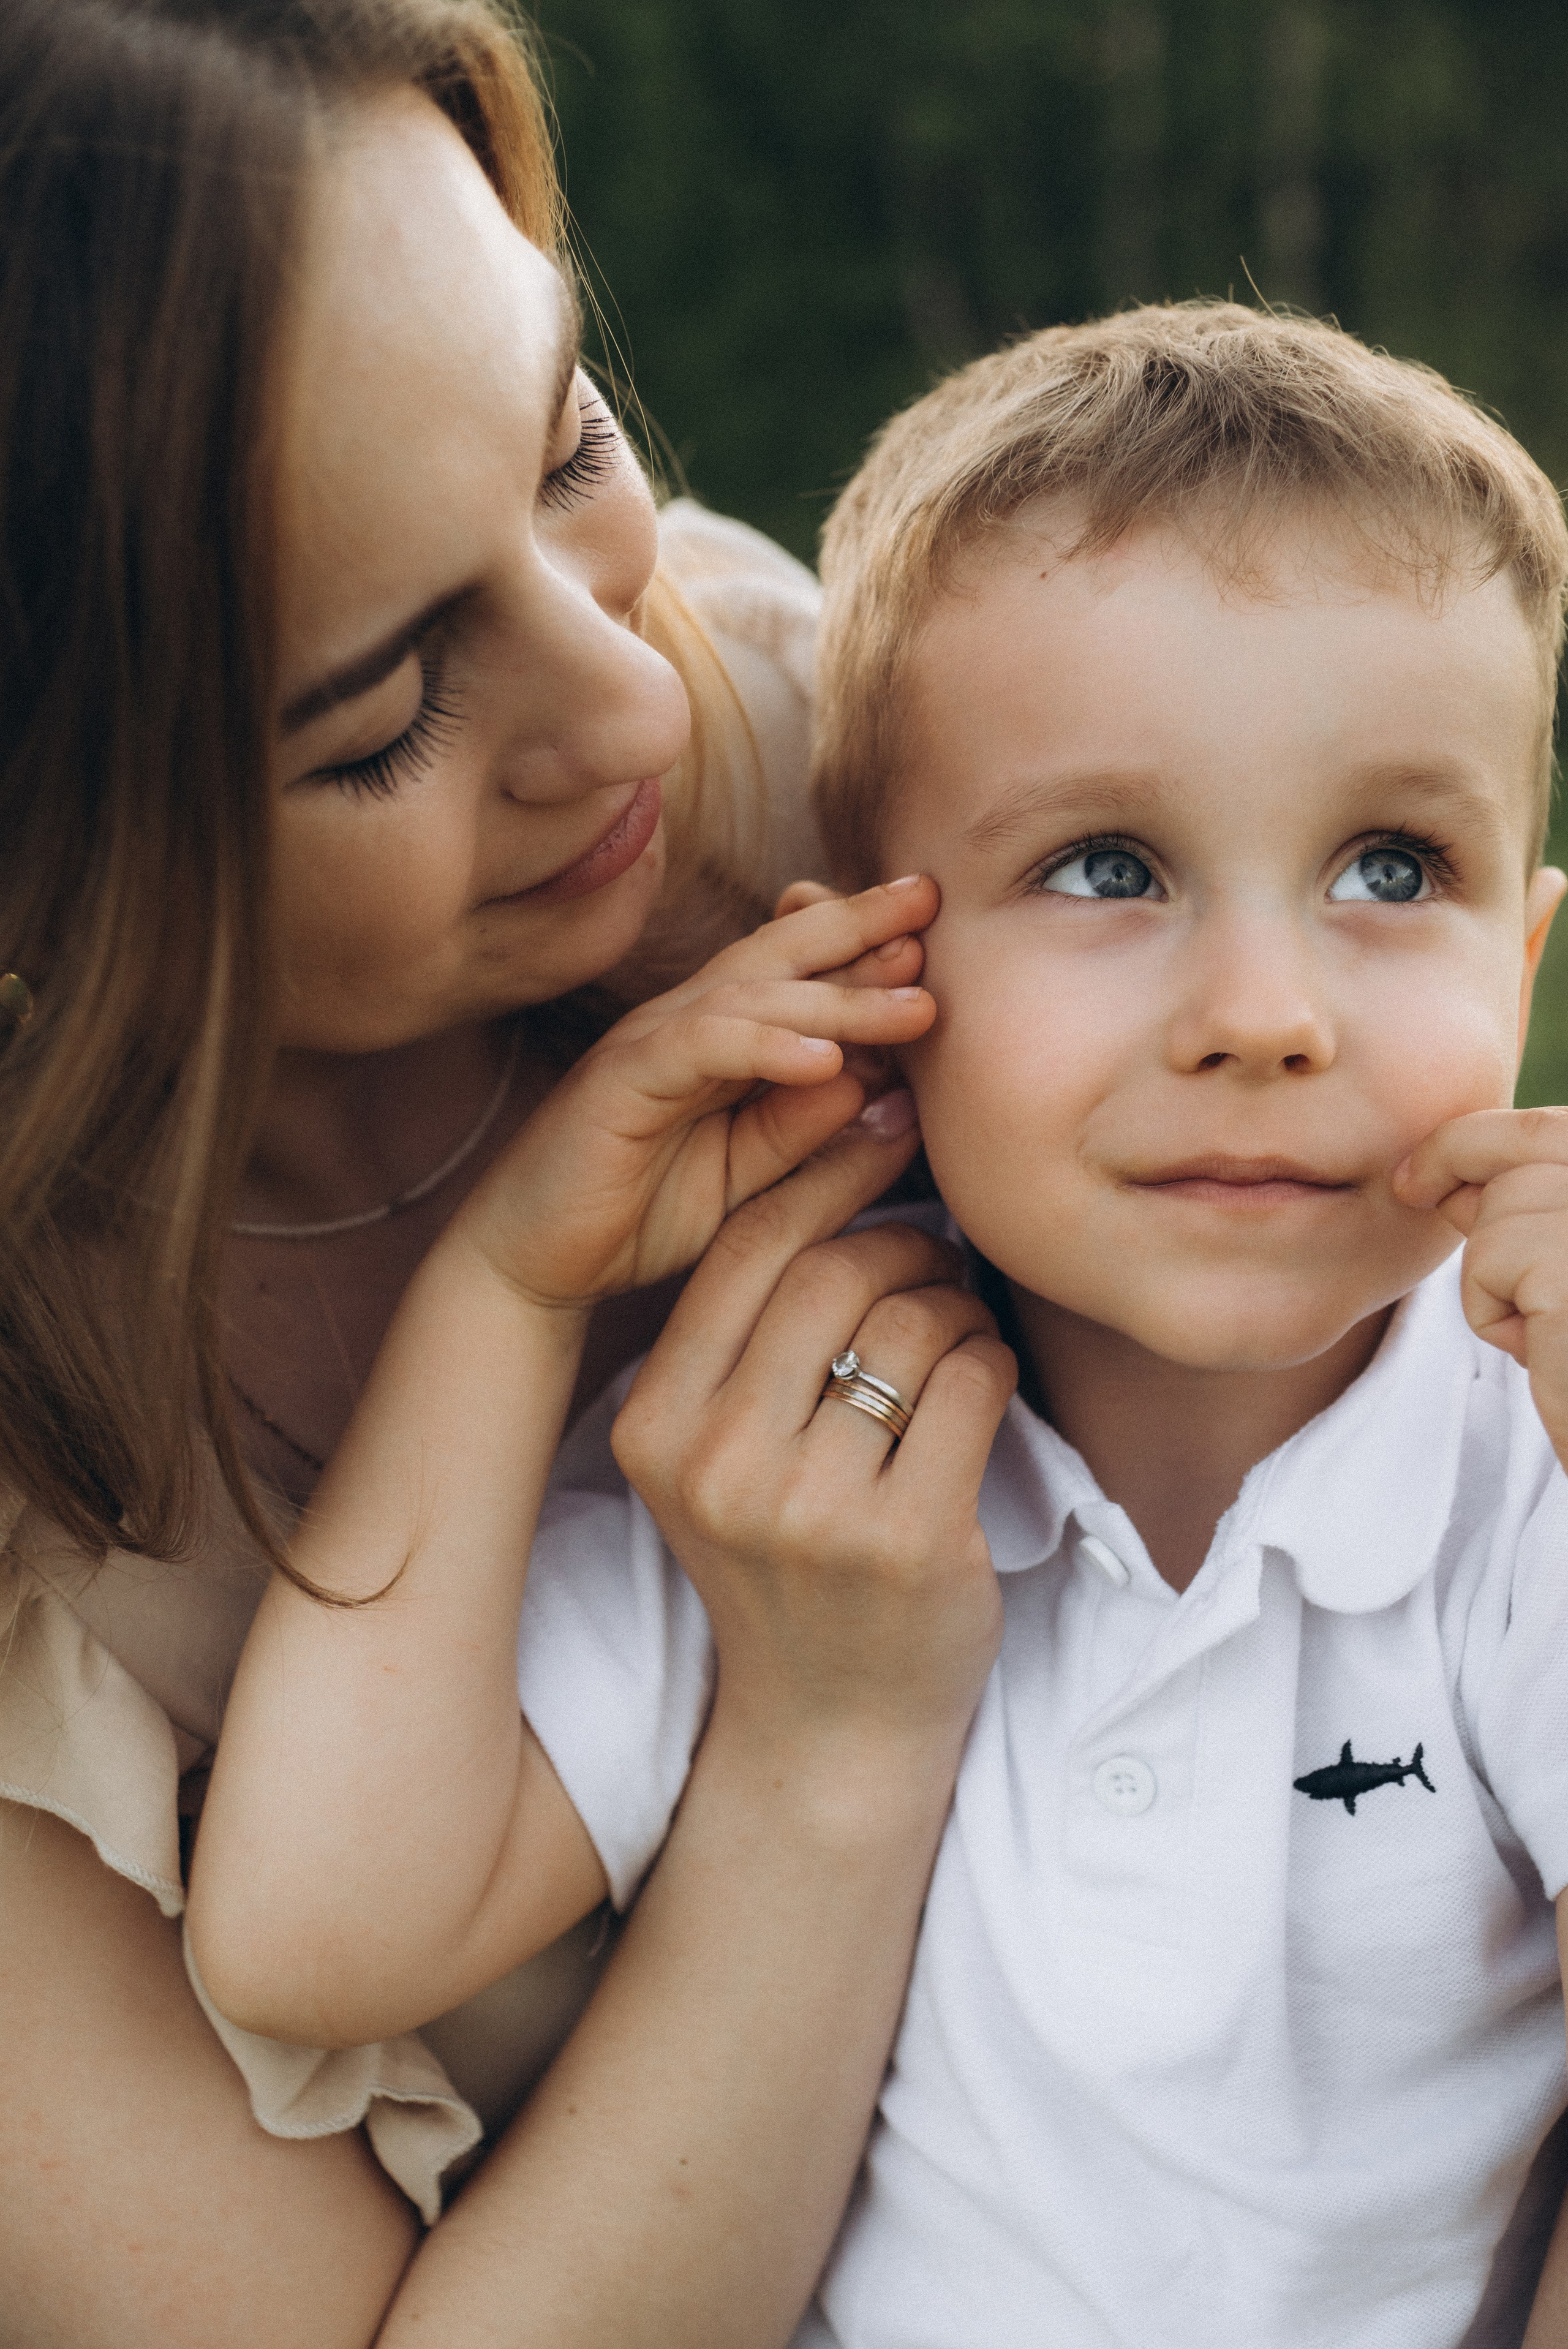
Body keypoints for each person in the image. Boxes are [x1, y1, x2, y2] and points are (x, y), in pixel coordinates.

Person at [197, 299, 1568, 2346]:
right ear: (864, 944)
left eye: (1395, 865)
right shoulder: (798, 1443)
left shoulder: (1517, 1470)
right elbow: (312, 1934)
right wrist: (510, 1280)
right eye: (1110, 865)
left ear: (1525, 951)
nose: (1270, 1013)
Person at [0, 4, 1011, 2343]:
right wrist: (829, 1751)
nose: (633, 700)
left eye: (566, 444)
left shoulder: (858, 754)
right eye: (381, 719)